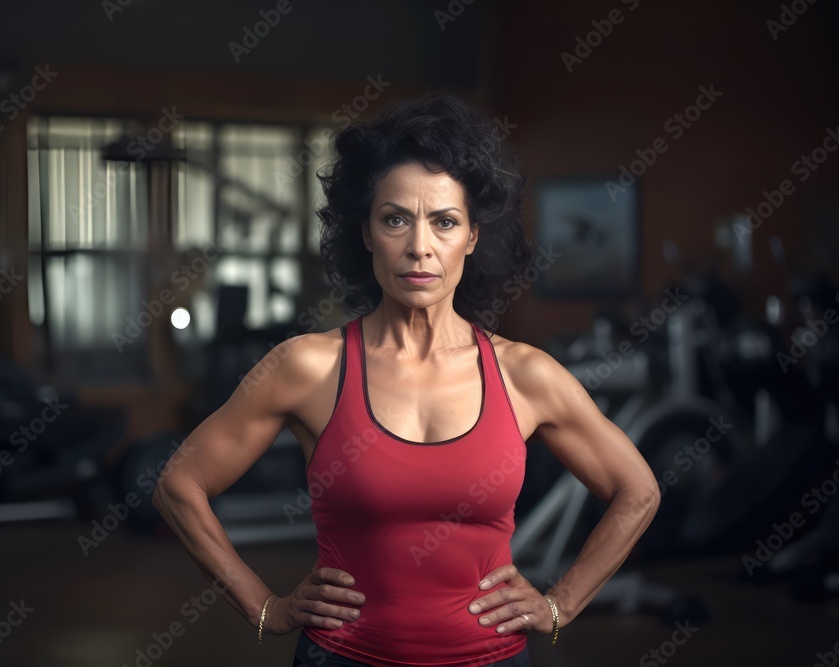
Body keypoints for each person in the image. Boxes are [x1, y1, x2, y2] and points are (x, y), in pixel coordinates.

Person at [152, 91, 660, 667]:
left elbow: (637, 491)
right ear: (366, 232)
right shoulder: (307, 367)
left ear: (471, 236)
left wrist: (560, 605)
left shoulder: (525, 375)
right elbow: (179, 486)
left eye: (444, 222)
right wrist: (264, 606)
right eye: (396, 219)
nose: (420, 247)